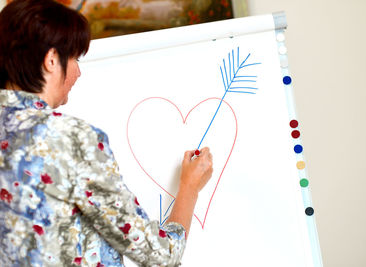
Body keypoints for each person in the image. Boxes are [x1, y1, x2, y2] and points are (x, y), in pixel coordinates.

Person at [0, 0, 213, 266]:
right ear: (52, 60)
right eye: (75, 58)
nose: (78, 71)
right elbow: (161, 254)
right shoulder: (70, 138)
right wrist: (189, 187)